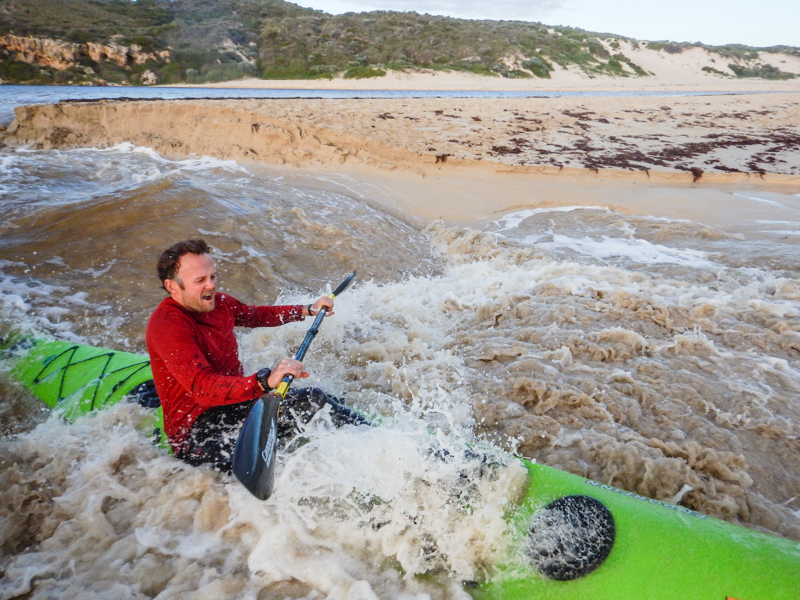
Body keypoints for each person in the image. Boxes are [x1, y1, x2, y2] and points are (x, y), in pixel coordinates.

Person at [146, 238, 350, 472]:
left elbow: (255, 315)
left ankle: (372, 438)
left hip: (238, 405)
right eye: (200, 280)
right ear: (173, 286)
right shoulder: (167, 325)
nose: (211, 285)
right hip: (197, 431)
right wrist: (264, 381)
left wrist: (306, 309)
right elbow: (203, 389)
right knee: (280, 462)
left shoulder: (219, 303)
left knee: (314, 400)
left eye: (213, 276)